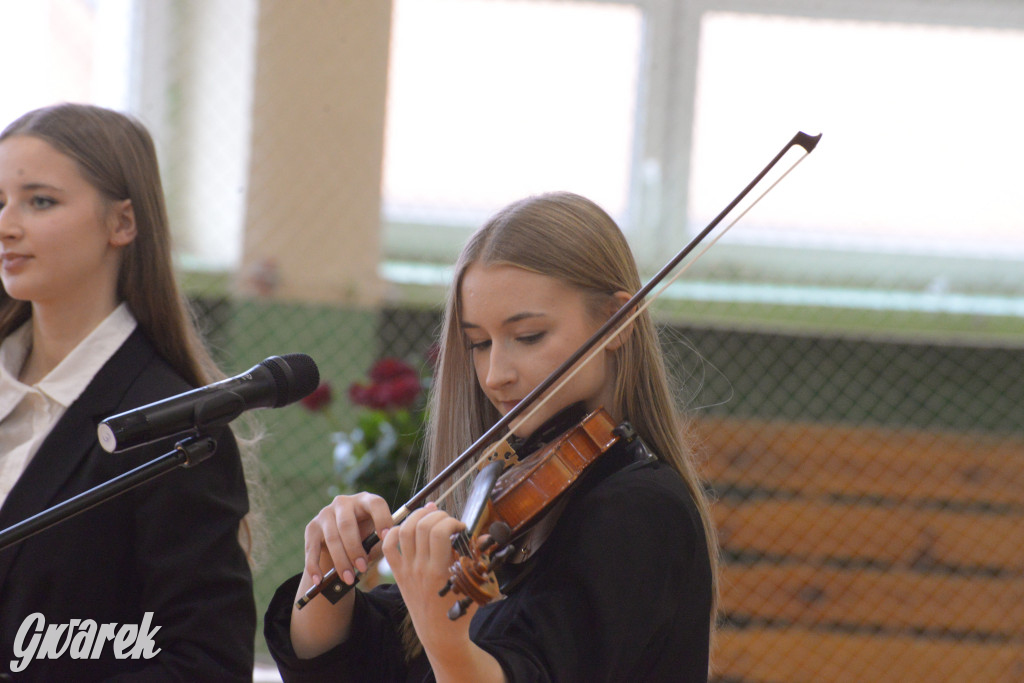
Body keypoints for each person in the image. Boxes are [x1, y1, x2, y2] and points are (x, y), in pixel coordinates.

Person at [264, 192, 718, 682]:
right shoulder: (510, 510)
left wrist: (446, 642)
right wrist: (330, 575)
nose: (495, 374)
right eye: (478, 343)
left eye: (527, 337)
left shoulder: (642, 510)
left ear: (615, 322)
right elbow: (346, 664)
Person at [0, 103, 256, 681]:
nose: (6, 225)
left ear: (122, 223)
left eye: (39, 201)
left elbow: (207, 665)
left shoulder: (174, 425)